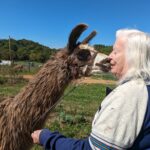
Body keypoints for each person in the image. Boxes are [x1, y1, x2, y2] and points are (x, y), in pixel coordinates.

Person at [31, 29, 150, 150]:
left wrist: (47, 138)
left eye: (115, 52)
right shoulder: (144, 88)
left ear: (134, 55)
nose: (109, 56)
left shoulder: (128, 96)